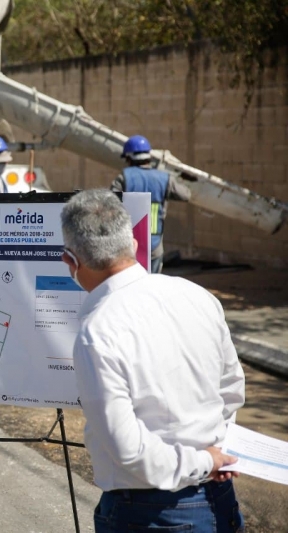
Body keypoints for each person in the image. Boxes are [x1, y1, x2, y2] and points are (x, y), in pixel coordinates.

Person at [60, 189, 245, 532]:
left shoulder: (97, 332)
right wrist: (212, 455)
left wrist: (203, 462)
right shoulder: (196, 295)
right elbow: (231, 389)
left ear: (71, 261)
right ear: (132, 242)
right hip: (220, 499)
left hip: (150, 514)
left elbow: (127, 450)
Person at [111, 134, 192, 273]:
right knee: (151, 283)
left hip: (128, 243)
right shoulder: (165, 178)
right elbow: (186, 195)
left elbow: (110, 201)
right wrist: (176, 176)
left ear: (129, 158)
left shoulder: (124, 177)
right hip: (154, 245)